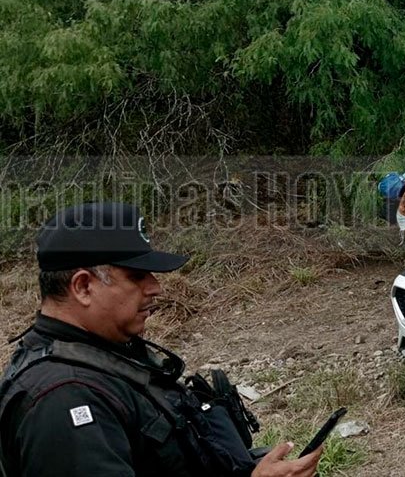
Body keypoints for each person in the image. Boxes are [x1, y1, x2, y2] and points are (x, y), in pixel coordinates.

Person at [0, 203, 323, 477]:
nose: (155, 287)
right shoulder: (63, 399)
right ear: (83, 287)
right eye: (137, 276)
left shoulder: (108, 358)